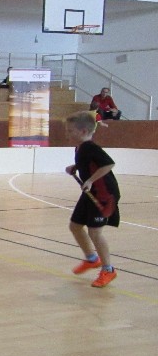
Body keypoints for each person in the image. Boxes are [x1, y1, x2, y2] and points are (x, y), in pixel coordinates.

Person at [65, 110, 120, 288]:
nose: (67, 134)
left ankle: (108, 269)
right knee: (75, 226)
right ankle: (92, 259)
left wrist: (89, 180)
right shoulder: (80, 147)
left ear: (83, 131)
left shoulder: (90, 147)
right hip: (90, 193)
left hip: (103, 194)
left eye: (70, 130)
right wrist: (76, 167)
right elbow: (90, 163)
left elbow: (108, 164)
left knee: (95, 232)